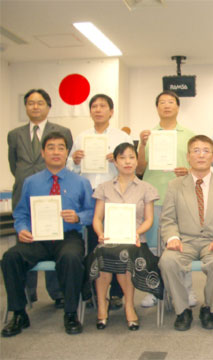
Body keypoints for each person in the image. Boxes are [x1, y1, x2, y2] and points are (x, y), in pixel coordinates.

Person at [1, 132, 94, 337]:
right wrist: (22, 229)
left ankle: (70, 313)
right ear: (43, 153)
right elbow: (21, 213)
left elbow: (92, 213)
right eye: (51, 147)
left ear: (66, 152)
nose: (56, 152)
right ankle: (18, 313)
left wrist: (78, 217)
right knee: (10, 258)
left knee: (71, 257)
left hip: (68, 236)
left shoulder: (80, 182)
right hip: (38, 237)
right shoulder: (30, 182)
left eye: (61, 147)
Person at [159, 135, 213, 331]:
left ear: (212, 156)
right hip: (184, 241)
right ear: (188, 156)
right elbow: (168, 219)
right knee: (167, 261)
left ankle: (209, 308)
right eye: (196, 150)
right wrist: (172, 238)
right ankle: (182, 310)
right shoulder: (175, 185)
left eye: (206, 150)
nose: (201, 155)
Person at [7, 89, 73, 309]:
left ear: (48, 106)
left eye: (40, 103)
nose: (35, 107)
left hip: (57, 196)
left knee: (60, 243)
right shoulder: (15, 134)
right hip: (28, 193)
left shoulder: (62, 131)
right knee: (23, 245)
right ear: (25, 107)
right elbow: (14, 164)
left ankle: (57, 294)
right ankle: (27, 296)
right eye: (30, 103)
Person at [86, 143, 162, 331]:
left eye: (131, 157)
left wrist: (136, 233)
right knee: (102, 253)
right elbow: (97, 218)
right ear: (115, 161)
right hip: (109, 239)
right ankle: (102, 307)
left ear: (137, 161)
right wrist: (100, 234)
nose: (127, 161)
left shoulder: (146, 188)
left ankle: (129, 306)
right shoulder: (104, 187)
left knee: (125, 253)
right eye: (122, 157)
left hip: (135, 241)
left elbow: (149, 219)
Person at [67, 94, 133, 310]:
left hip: (114, 195)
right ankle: (93, 292)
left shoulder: (120, 136)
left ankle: (115, 293)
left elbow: (129, 166)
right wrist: (75, 161)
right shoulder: (81, 137)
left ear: (111, 111)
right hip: (88, 195)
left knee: (114, 243)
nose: (98, 110)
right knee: (92, 245)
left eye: (102, 106)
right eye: (94, 106)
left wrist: (115, 161)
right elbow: (71, 170)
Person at [136, 90, 197, 308]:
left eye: (171, 102)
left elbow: (198, 166)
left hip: (182, 197)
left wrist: (188, 171)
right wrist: (142, 145)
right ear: (157, 107)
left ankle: (186, 290)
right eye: (162, 102)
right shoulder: (148, 135)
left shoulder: (189, 134)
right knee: (154, 248)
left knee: (182, 246)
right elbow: (140, 168)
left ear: (178, 107)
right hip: (153, 198)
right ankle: (155, 289)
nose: (167, 105)